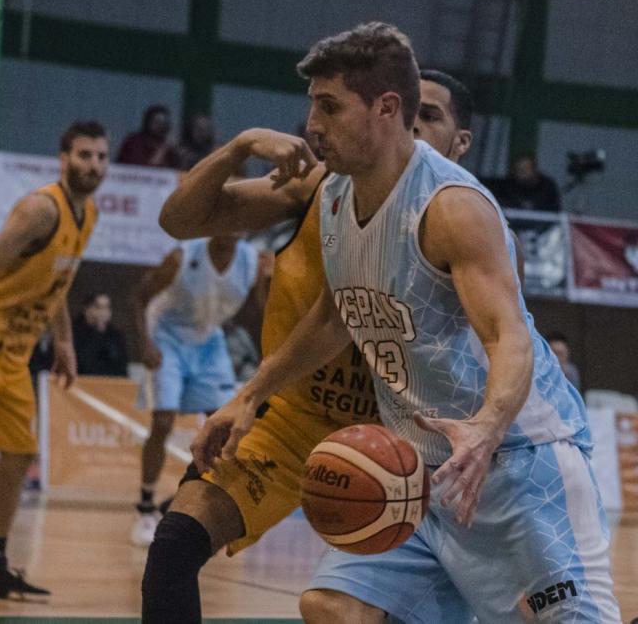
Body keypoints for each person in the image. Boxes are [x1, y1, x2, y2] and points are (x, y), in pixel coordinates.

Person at [189, 23, 619, 623]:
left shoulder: (452, 208)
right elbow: (335, 315)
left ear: (386, 108)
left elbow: (509, 337)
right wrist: (250, 395)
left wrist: (486, 427)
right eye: (313, 104)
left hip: (520, 464)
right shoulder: (335, 195)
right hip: (416, 476)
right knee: (332, 607)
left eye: (329, 106)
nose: (312, 125)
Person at [140, 58, 510, 620]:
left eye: (429, 116)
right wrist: (240, 146)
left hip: (408, 439)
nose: (411, 126)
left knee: (356, 611)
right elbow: (180, 220)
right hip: (294, 420)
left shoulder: (472, 224)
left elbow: (503, 347)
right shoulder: (320, 186)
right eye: (404, 111)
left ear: (461, 143)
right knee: (174, 544)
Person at [0, 120, 107, 597]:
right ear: (63, 159)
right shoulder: (41, 210)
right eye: (84, 155)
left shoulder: (89, 215)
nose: (93, 165)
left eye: (101, 157)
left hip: (15, 355)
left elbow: (57, 282)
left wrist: (64, 341)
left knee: (20, 452)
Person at [130, 235, 264, 546]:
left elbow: (260, 312)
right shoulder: (181, 257)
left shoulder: (252, 262)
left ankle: (180, 501)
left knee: (226, 427)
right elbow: (137, 298)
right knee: (163, 422)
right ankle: (145, 508)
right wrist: (144, 344)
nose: (230, 227)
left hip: (209, 341)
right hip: (167, 337)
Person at [72, 293, 128, 377]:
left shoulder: (115, 335)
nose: (103, 312)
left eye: (107, 307)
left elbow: (121, 365)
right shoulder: (74, 331)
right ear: (87, 309)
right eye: (98, 307)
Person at [490, 152, 561, 212]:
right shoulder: (508, 185)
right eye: (518, 170)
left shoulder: (547, 186)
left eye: (525, 169)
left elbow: (554, 209)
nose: (522, 173)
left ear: (534, 169)